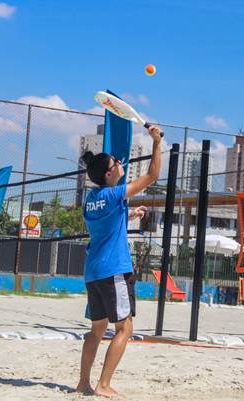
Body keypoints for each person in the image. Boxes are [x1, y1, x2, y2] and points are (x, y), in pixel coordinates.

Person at [76, 125, 162, 397]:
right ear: (109, 173)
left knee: (96, 330)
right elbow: (152, 175)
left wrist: (130, 215)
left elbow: (107, 225)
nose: (120, 163)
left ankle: (83, 383)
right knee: (124, 329)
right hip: (114, 271)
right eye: (116, 162)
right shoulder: (115, 194)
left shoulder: (91, 200)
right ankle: (103, 385)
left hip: (93, 271)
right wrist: (157, 143)